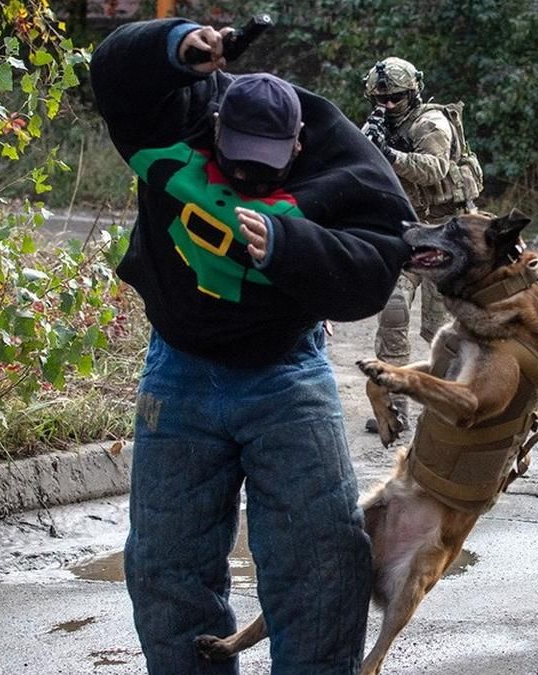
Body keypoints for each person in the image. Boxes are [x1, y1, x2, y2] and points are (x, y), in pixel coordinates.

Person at [90, 18, 415, 675]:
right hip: (178, 367)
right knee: (165, 563)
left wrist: (293, 245)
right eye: (232, 157)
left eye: (261, 168)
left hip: (284, 372)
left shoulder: (339, 154)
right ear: (213, 126)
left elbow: (381, 261)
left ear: (298, 144)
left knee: (320, 560)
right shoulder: (177, 115)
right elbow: (113, 72)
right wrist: (175, 45)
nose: (241, 175)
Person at [358, 56, 484, 433]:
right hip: (407, 232)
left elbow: (434, 170)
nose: (388, 106)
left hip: (446, 234)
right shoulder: (377, 126)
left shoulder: (431, 122)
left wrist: (390, 155)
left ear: (413, 92)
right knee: (393, 311)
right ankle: (394, 403)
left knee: (440, 331)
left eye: (396, 98)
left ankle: (450, 400)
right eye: (380, 99)